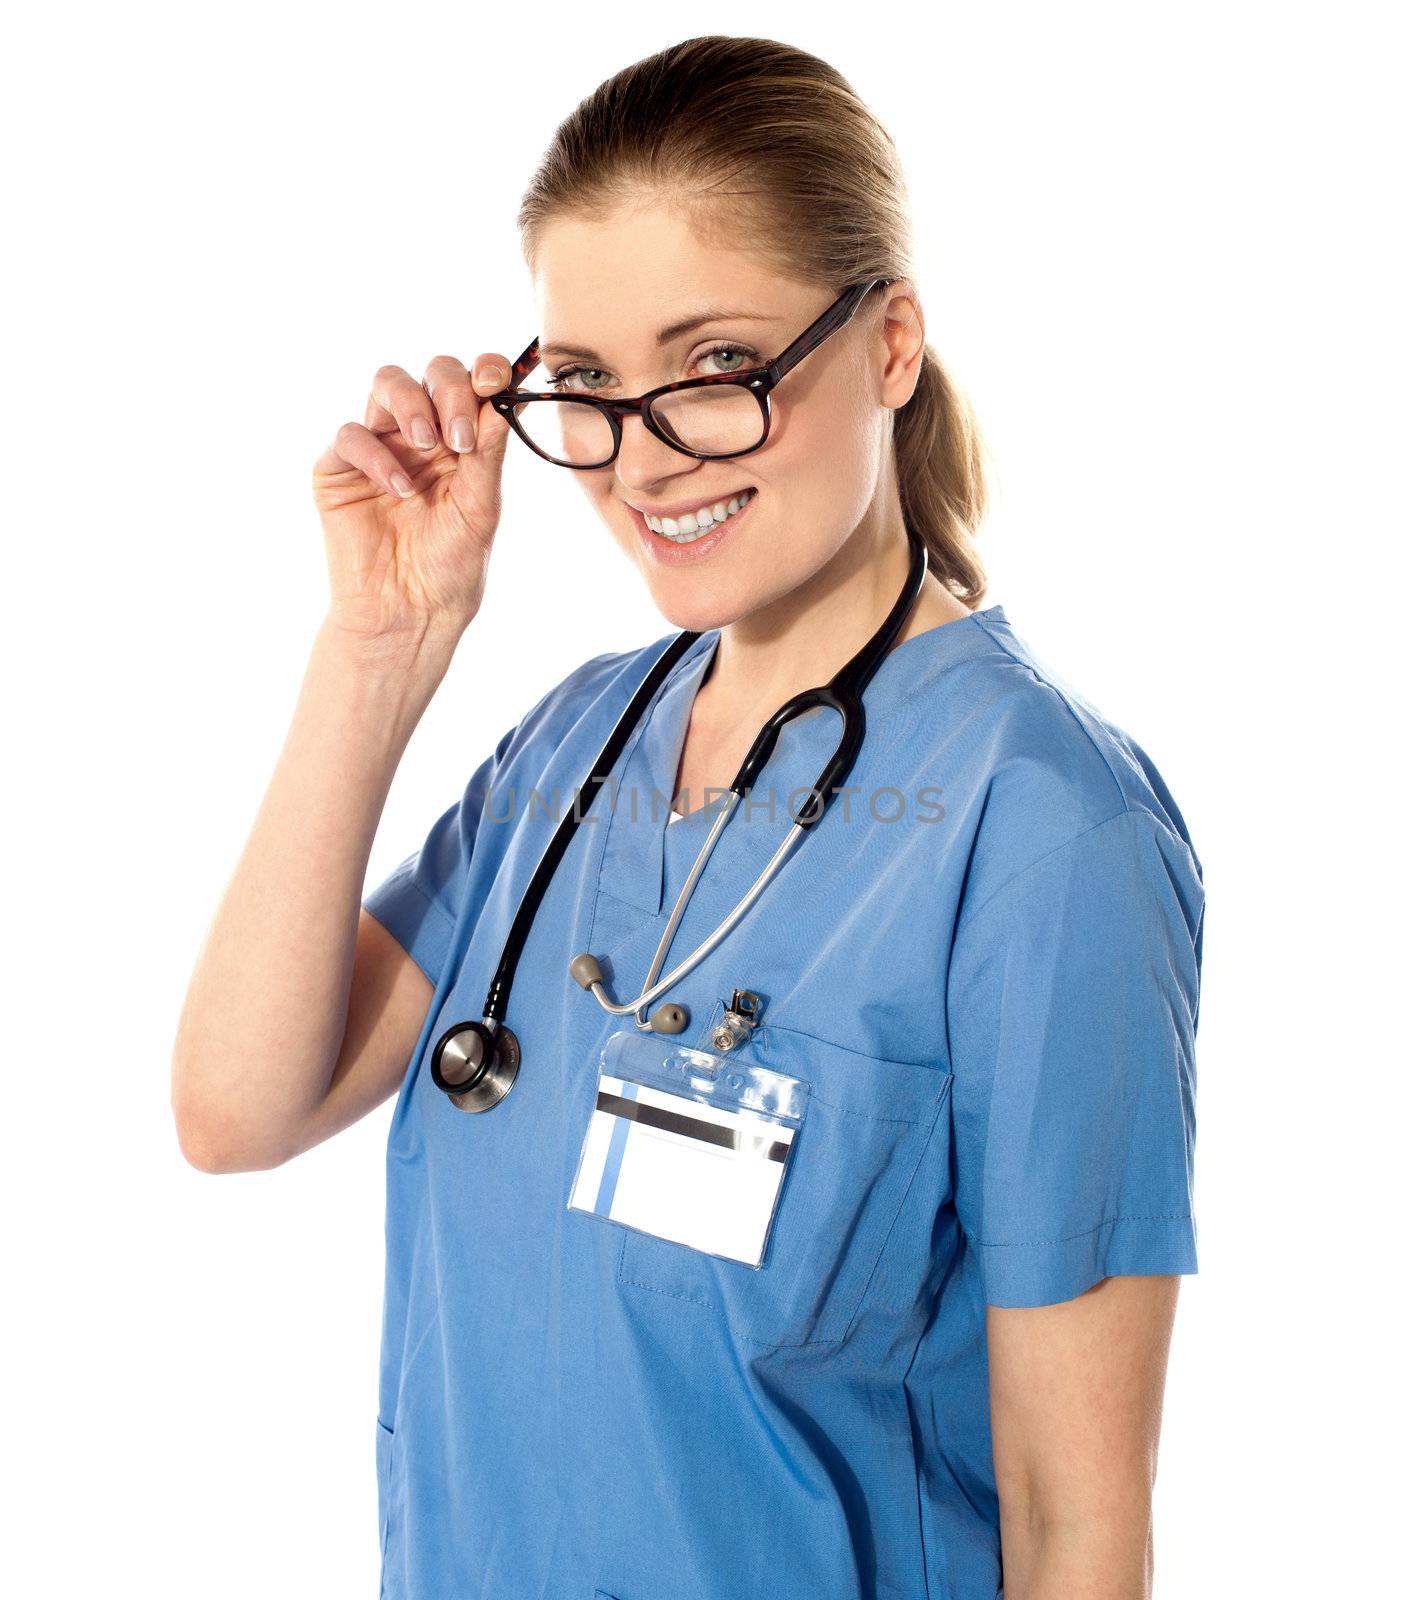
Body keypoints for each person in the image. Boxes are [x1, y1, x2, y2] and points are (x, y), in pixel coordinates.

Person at [171, 34, 1204, 1600]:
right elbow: (236, 1112)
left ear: (890, 345)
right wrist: (377, 654)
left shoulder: (1042, 827)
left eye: (713, 367)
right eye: (583, 385)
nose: (641, 459)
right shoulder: (576, 744)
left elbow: (1077, 1526)